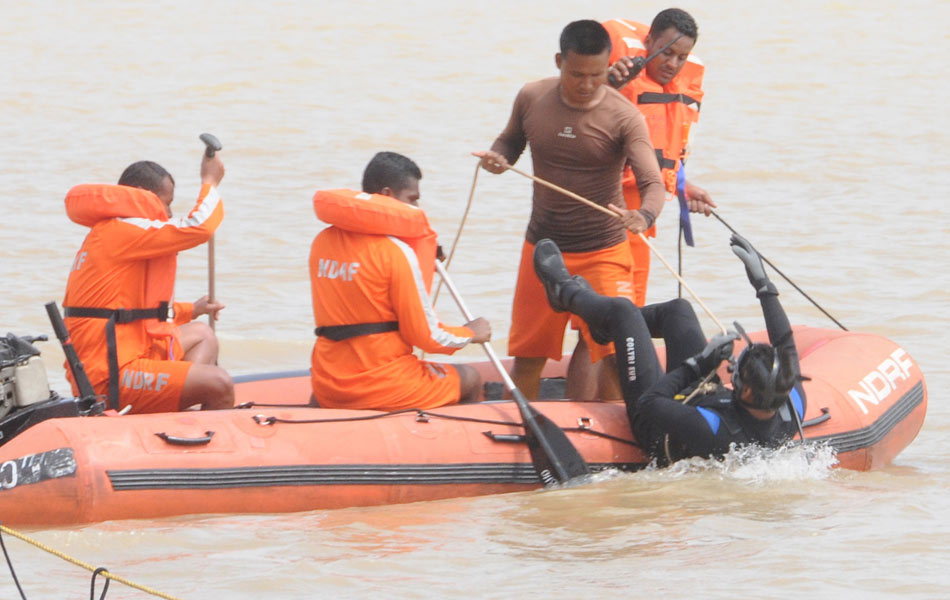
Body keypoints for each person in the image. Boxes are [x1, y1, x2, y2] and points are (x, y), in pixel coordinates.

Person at [473, 19, 667, 401]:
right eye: (576, 74)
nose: (587, 84)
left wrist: (643, 215)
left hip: (604, 251)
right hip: (543, 250)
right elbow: (510, 141)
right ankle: (525, 434)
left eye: (597, 75)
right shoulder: (531, 96)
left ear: (608, 64)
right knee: (529, 357)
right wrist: (497, 158)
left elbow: (653, 183)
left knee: (614, 356)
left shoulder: (625, 117)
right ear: (559, 61)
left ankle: (611, 434)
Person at [533, 234, 807, 465]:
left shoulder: (717, 431)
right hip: (698, 396)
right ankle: (605, 326)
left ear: (746, 391)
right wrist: (763, 285)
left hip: (656, 418)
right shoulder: (789, 403)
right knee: (678, 311)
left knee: (623, 311)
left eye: (739, 372)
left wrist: (701, 364)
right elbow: (785, 343)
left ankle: (563, 292)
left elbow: (650, 403)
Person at [309, 151, 491, 411]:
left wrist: (422, 259)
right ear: (387, 196)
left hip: (328, 382)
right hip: (382, 384)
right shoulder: (396, 253)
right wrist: (471, 333)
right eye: (412, 199)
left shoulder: (322, 241)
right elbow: (427, 337)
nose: (416, 209)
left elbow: (364, 281)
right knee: (470, 377)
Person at [62, 152, 233, 414]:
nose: (168, 212)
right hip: (112, 374)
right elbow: (199, 227)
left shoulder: (112, 230)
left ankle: (180, 408)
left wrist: (191, 310)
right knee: (220, 383)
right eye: (166, 202)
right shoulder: (123, 231)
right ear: (143, 194)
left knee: (203, 335)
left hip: (132, 351)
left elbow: (131, 310)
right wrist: (210, 182)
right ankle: (198, 424)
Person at [603, 9, 716, 304]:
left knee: (631, 304)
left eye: (682, 57)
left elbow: (663, 155)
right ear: (649, 40)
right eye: (667, 53)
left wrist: (682, 186)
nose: (673, 64)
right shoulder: (614, 80)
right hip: (608, 207)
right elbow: (580, 107)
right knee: (611, 306)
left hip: (644, 211)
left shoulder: (676, 91)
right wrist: (608, 81)